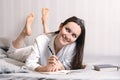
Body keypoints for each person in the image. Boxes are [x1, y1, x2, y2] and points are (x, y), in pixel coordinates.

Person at [7, 8, 86, 72]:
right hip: (33, 50)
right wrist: (44, 68)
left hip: (50, 40)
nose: (68, 36)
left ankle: (44, 21)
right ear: (60, 26)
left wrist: (61, 66)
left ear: (76, 39)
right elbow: (29, 63)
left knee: (51, 37)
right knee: (11, 53)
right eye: (67, 30)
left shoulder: (73, 46)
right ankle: (24, 32)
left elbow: (67, 66)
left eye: (74, 35)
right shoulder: (40, 40)